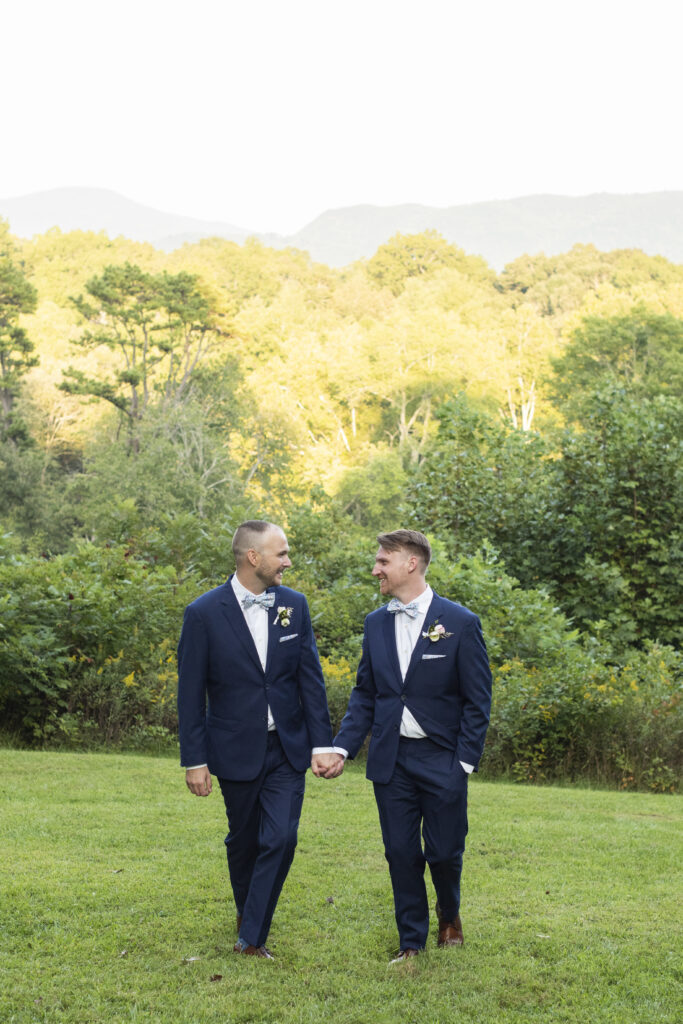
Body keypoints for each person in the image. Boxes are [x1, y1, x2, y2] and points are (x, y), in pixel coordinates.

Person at [325, 529, 492, 963]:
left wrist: (464, 764)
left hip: (443, 759)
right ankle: (411, 941)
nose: (376, 568)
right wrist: (343, 748)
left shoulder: (459, 623)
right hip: (390, 759)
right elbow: (366, 693)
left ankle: (449, 914)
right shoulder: (375, 623)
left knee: (444, 851)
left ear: (410, 564)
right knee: (400, 851)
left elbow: (478, 700)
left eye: (383, 561)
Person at [177, 520, 338, 959]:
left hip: (288, 748)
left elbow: (311, 681)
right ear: (254, 558)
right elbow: (190, 694)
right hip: (233, 749)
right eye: (281, 553)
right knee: (244, 840)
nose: (288, 561)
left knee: (282, 839)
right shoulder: (203, 613)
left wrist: (322, 743)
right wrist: (194, 759)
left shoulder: (295, 605)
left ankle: (252, 937)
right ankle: (248, 914)